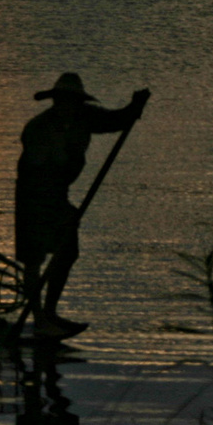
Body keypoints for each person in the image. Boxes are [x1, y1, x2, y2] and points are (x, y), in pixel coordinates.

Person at [17, 73, 149, 337]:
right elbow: (42, 171)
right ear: (55, 101)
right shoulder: (39, 128)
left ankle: (50, 312)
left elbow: (116, 121)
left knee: (67, 252)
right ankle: (40, 321)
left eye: (73, 100)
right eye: (63, 100)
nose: (68, 105)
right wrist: (62, 209)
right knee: (34, 259)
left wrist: (135, 107)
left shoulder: (84, 117)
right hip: (33, 195)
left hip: (57, 194)